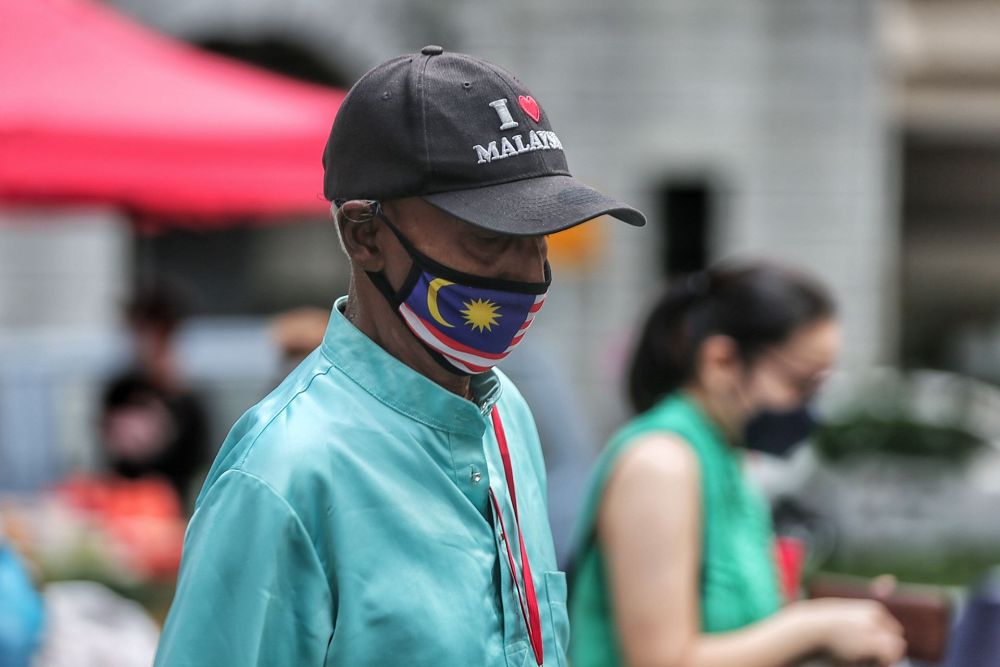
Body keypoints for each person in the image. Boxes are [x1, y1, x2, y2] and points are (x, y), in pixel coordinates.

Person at [154, 46, 645, 666]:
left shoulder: (505, 414)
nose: (531, 274)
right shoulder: (283, 475)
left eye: (540, 238)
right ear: (366, 237)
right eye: (493, 240)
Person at [569, 262, 907, 667]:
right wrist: (815, 628)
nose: (811, 408)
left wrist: (842, 625)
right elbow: (661, 660)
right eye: (801, 384)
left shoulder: (731, 460)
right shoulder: (660, 466)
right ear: (722, 362)